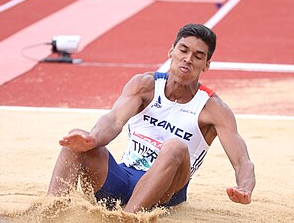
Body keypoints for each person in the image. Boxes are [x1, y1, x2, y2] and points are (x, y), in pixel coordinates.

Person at [47, 23, 256, 213]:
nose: (188, 59)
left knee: (175, 147)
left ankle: (129, 218)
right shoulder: (144, 85)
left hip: (167, 192)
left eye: (198, 56)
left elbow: (242, 161)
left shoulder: (213, 108)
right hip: (124, 177)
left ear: (206, 65)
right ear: (171, 51)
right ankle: (50, 212)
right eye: (183, 50)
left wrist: (244, 187)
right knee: (77, 140)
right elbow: (113, 120)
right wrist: (92, 138)